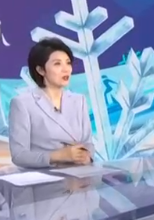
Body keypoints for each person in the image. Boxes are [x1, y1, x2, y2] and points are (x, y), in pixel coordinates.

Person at [8, 38, 93, 168]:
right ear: (41, 70)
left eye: (68, 63)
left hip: (80, 174)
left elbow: (88, 143)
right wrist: (58, 156)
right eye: (57, 64)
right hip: (44, 177)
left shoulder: (79, 100)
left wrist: (87, 156)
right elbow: (19, 155)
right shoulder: (22, 104)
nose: (66, 69)